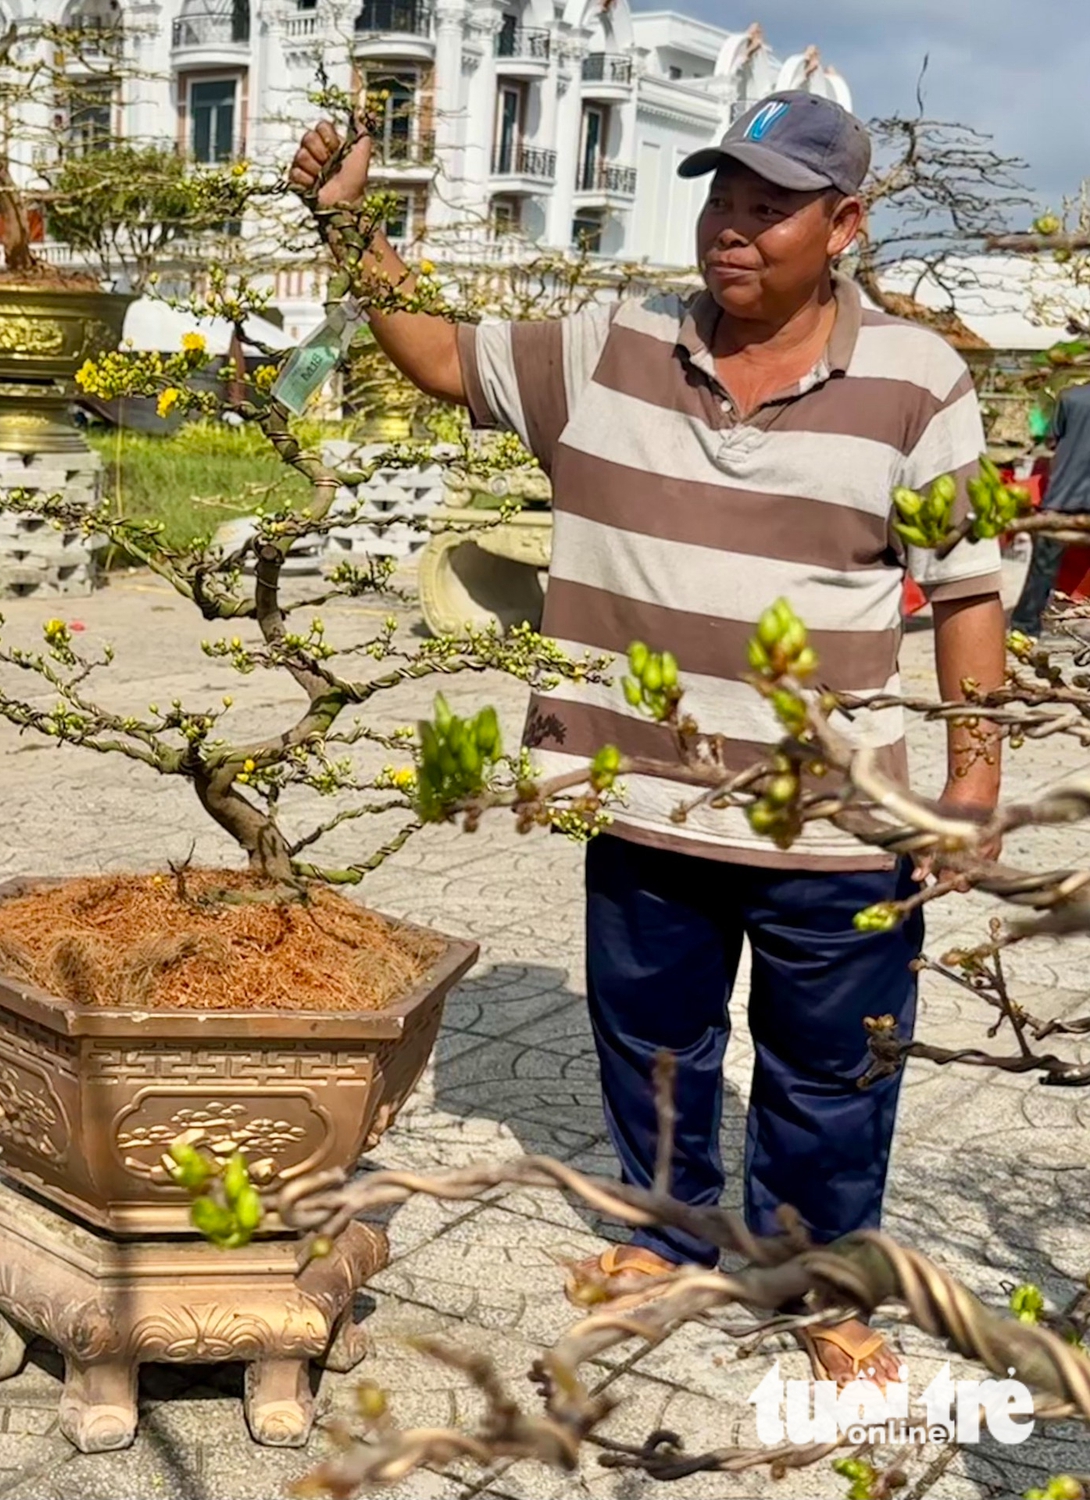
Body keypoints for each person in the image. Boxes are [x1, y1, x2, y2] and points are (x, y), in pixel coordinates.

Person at [291, 91, 1007, 1386]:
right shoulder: (608, 345)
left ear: (842, 223)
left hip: (832, 825)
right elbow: (444, 355)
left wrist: (971, 779)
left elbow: (964, 588)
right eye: (720, 197)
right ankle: (670, 1238)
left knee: (833, 1072)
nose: (732, 229)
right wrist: (348, 229)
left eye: (769, 205)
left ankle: (819, 1274)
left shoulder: (918, 381)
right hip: (645, 801)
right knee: (657, 1044)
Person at [1009, 382, 1090, 637]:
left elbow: (1054, 440)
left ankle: (1025, 626)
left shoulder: (1069, 397)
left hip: (1063, 496)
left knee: (1043, 568)